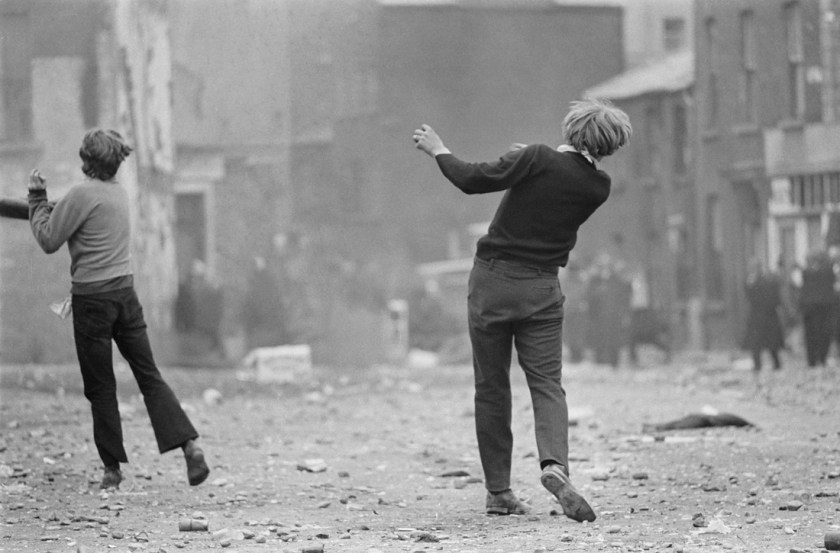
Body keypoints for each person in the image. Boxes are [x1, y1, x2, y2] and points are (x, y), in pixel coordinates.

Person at [412, 98, 631, 522]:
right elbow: (559, 178)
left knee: (491, 386)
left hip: (492, 282)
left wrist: (438, 149)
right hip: (542, 289)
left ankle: (499, 492)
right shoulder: (598, 186)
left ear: (571, 127)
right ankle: (555, 465)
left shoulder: (536, 158)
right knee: (547, 383)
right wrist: (527, 159)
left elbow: (471, 179)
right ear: (611, 145)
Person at [27, 129, 209, 489]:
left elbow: (48, 239)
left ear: (86, 160)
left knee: (101, 386)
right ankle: (189, 446)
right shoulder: (118, 193)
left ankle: (112, 470)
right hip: (125, 296)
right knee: (149, 376)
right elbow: (79, 216)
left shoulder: (80, 195)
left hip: (92, 301)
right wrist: (53, 208)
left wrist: (36, 199)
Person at [742, 261, 785, 371]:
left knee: (766, 342)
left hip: (764, 315)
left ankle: (768, 364)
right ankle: (764, 364)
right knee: (760, 342)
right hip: (761, 315)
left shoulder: (760, 281)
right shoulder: (753, 281)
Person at [799, 250, 836, 367]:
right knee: (821, 334)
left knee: (813, 335)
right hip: (821, 308)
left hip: (813, 308)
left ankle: (813, 360)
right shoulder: (827, 271)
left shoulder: (806, 272)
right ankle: (820, 358)